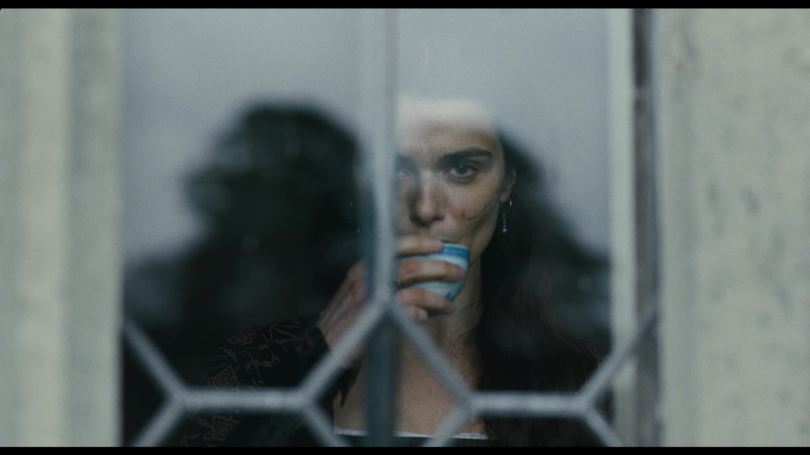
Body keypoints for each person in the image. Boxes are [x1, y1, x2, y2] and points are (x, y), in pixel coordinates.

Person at [177, 97, 606, 447]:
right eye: (399, 171)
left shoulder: (576, 377)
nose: (426, 207)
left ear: (505, 185)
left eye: (462, 169)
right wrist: (318, 358)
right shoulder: (259, 359)